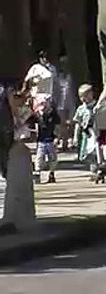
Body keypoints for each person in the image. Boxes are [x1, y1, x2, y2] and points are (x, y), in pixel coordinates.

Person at [0, 79, 36, 232]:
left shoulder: (5, 89)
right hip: (7, 136)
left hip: (9, 138)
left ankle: (15, 214)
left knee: (9, 172)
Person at [27, 96, 60, 184]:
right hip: (41, 141)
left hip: (51, 140)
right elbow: (29, 123)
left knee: (53, 158)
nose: (43, 110)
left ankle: (51, 173)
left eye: (45, 107)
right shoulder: (37, 116)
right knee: (39, 158)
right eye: (41, 108)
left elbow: (57, 127)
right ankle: (37, 173)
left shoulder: (53, 115)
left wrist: (57, 137)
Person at [72, 84, 98, 179]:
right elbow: (78, 123)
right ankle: (93, 169)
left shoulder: (97, 107)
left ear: (91, 94)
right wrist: (75, 136)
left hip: (95, 133)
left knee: (95, 151)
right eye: (81, 96)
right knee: (86, 154)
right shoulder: (81, 109)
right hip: (85, 134)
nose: (83, 98)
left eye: (85, 96)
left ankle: (96, 170)